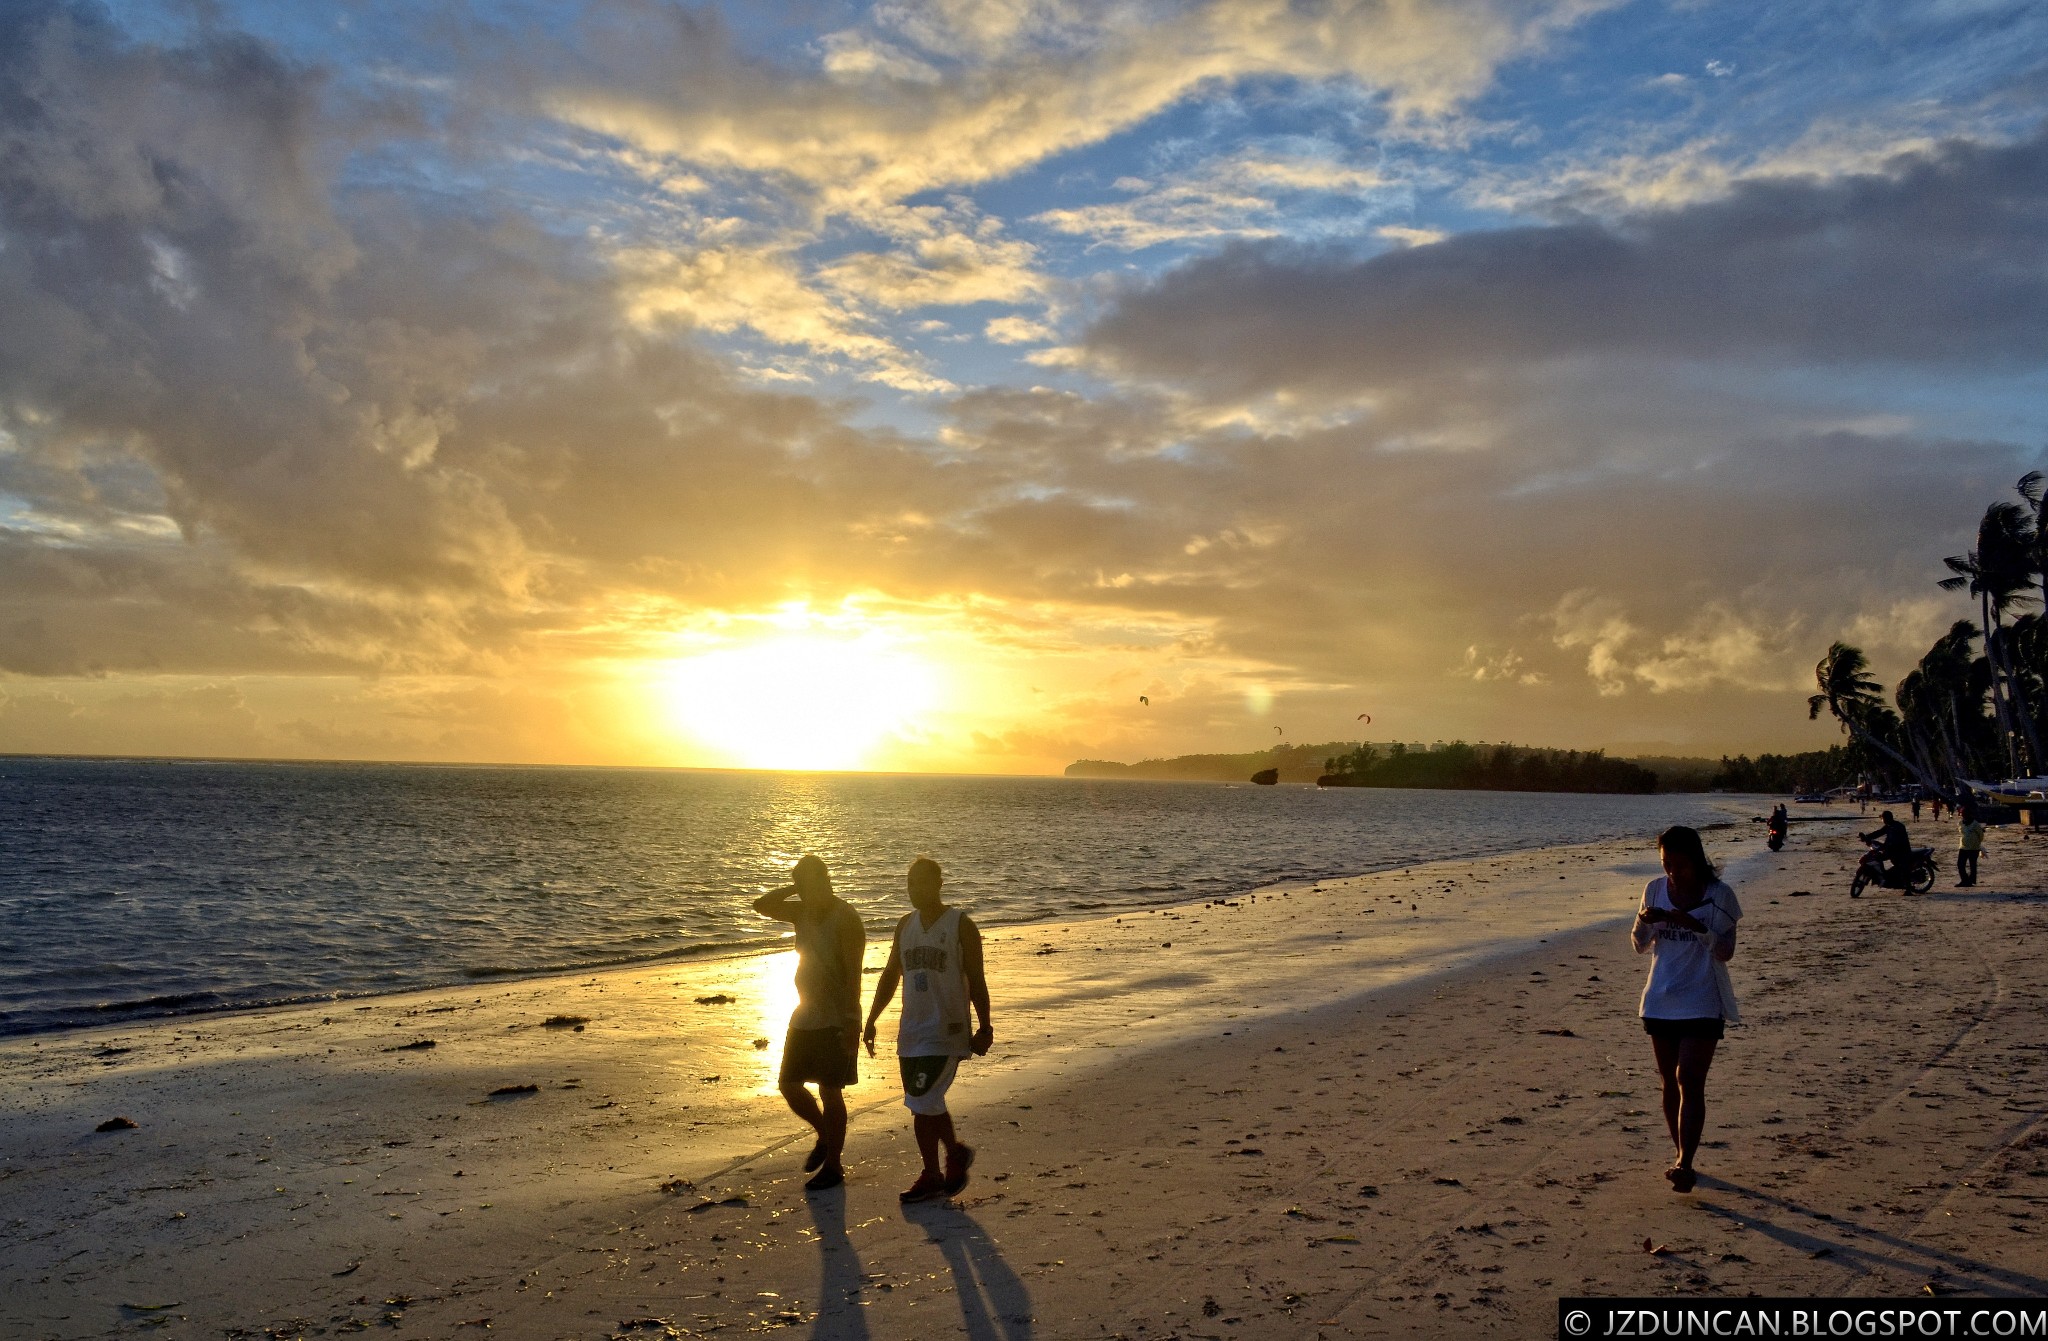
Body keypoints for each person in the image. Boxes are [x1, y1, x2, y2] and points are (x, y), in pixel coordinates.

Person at [863, 856, 994, 1204]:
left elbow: (977, 979)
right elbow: (891, 974)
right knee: (926, 1103)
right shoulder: (905, 925)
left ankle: (934, 1173)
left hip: (947, 1029)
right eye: (909, 884)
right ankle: (954, 1155)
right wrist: (871, 1018)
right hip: (912, 1032)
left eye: (920, 883)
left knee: (923, 1101)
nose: (914, 891)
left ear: (937, 884)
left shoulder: (960, 925)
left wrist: (984, 1026)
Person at [1632, 825, 1741, 1195]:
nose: (1672, 872)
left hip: (1702, 998)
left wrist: (1695, 926)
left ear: (1696, 860)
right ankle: (1680, 1152)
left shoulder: (1719, 896)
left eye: (1679, 864)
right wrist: (1648, 923)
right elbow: (1639, 944)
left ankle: (1685, 1164)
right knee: (1669, 1083)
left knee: (1689, 1079)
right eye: (1666, 864)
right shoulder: (1655, 889)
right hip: (1660, 997)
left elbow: (1725, 951)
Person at [754, 854, 866, 1191]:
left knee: (830, 1090)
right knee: (789, 1085)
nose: (805, 894)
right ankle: (824, 1136)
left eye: (811, 885)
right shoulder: (801, 911)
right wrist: (796, 886)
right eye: (801, 888)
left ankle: (833, 1165)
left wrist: (851, 1022)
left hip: (836, 1016)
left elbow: (854, 976)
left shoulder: (845, 918)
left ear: (827, 881)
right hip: (804, 1013)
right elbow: (762, 904)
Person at [1858, 810, 1912, 886]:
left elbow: (1896, 841)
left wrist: (1885, 846)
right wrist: (1867, 837)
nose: (1882, 820)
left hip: (1901, 850)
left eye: (1883, 818)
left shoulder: (1898, 826)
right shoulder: (1889, 826)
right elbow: (1879, 832)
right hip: (1890, 849)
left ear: (1887, 818)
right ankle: (1882, 877)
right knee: (1877, 857)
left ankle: (1908, 888)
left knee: (1903, 867)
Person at [1958, 804, 1985, 888]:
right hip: (1963, 847)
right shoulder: (1960, 823)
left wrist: (1976, 843)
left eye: (1964, 814)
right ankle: (1964, 880)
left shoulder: (1975, 824)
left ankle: (1971, 881)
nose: (1963, 816)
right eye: (1962, 814)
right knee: (1960, 864)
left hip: (1973, 848)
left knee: (1972, 865)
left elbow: (1981, 835)